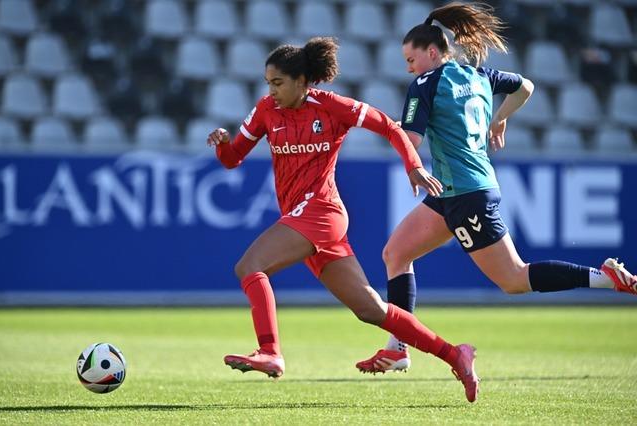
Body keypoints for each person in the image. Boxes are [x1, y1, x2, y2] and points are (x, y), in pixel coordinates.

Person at [356, 2, 637, 374]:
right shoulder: (478, 75)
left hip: (465, 193)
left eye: (411, 58)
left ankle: (605, 278)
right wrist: (498, 119)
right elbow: (525, 86)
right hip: (454, 189)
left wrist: (380, 125)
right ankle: (397, 347)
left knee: (515, 279)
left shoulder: (426, 83)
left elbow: (409, 137)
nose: (409, 67)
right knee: (395, 253)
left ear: (433, 52)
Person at [207, 37, 480, 402]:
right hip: (304, 218)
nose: (270, 91)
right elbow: (233, 158)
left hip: (322, 211)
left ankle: (270, 350)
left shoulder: (331, 107)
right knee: (371, 309)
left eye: (278, 83)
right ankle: (455, 354)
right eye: (268, 83)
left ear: (302, 81)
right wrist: (223, 143)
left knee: (250, 266)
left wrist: (414, 167)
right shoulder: (265, 112)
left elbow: (389, 126)